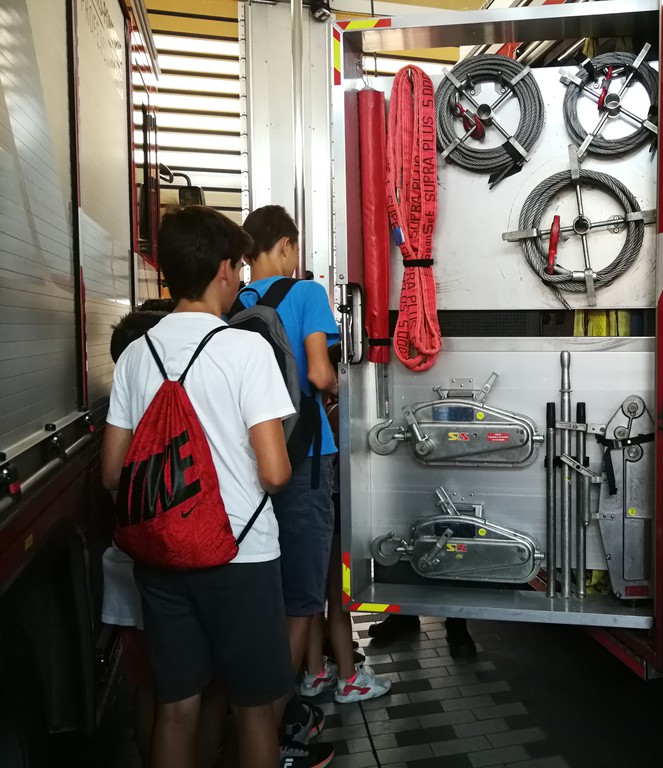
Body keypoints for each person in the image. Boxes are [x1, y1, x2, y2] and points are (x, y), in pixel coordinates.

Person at [100, 207, 331, 768]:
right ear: (224, 269)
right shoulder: (245, 349)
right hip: (242, 555)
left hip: (161, 557)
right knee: (253, 707)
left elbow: (112, 473)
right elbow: (276, 472)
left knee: (176, 707)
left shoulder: (136, 355)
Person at [239, 205, 390, 706]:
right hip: (306, 454)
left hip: (253, 459)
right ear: (284, 245)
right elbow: (322, 375)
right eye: (295, 248)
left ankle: (316, 672)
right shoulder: (306, 292)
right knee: (315, 580)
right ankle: (284, 716)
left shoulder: (232, 305)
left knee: (282, 576)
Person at [103, 299, 230, 768]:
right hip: (166, 557)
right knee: (192, 685)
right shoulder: (166, 408)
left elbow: (112, 478)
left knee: (147, 683)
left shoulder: (124, 395)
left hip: (128, 556)